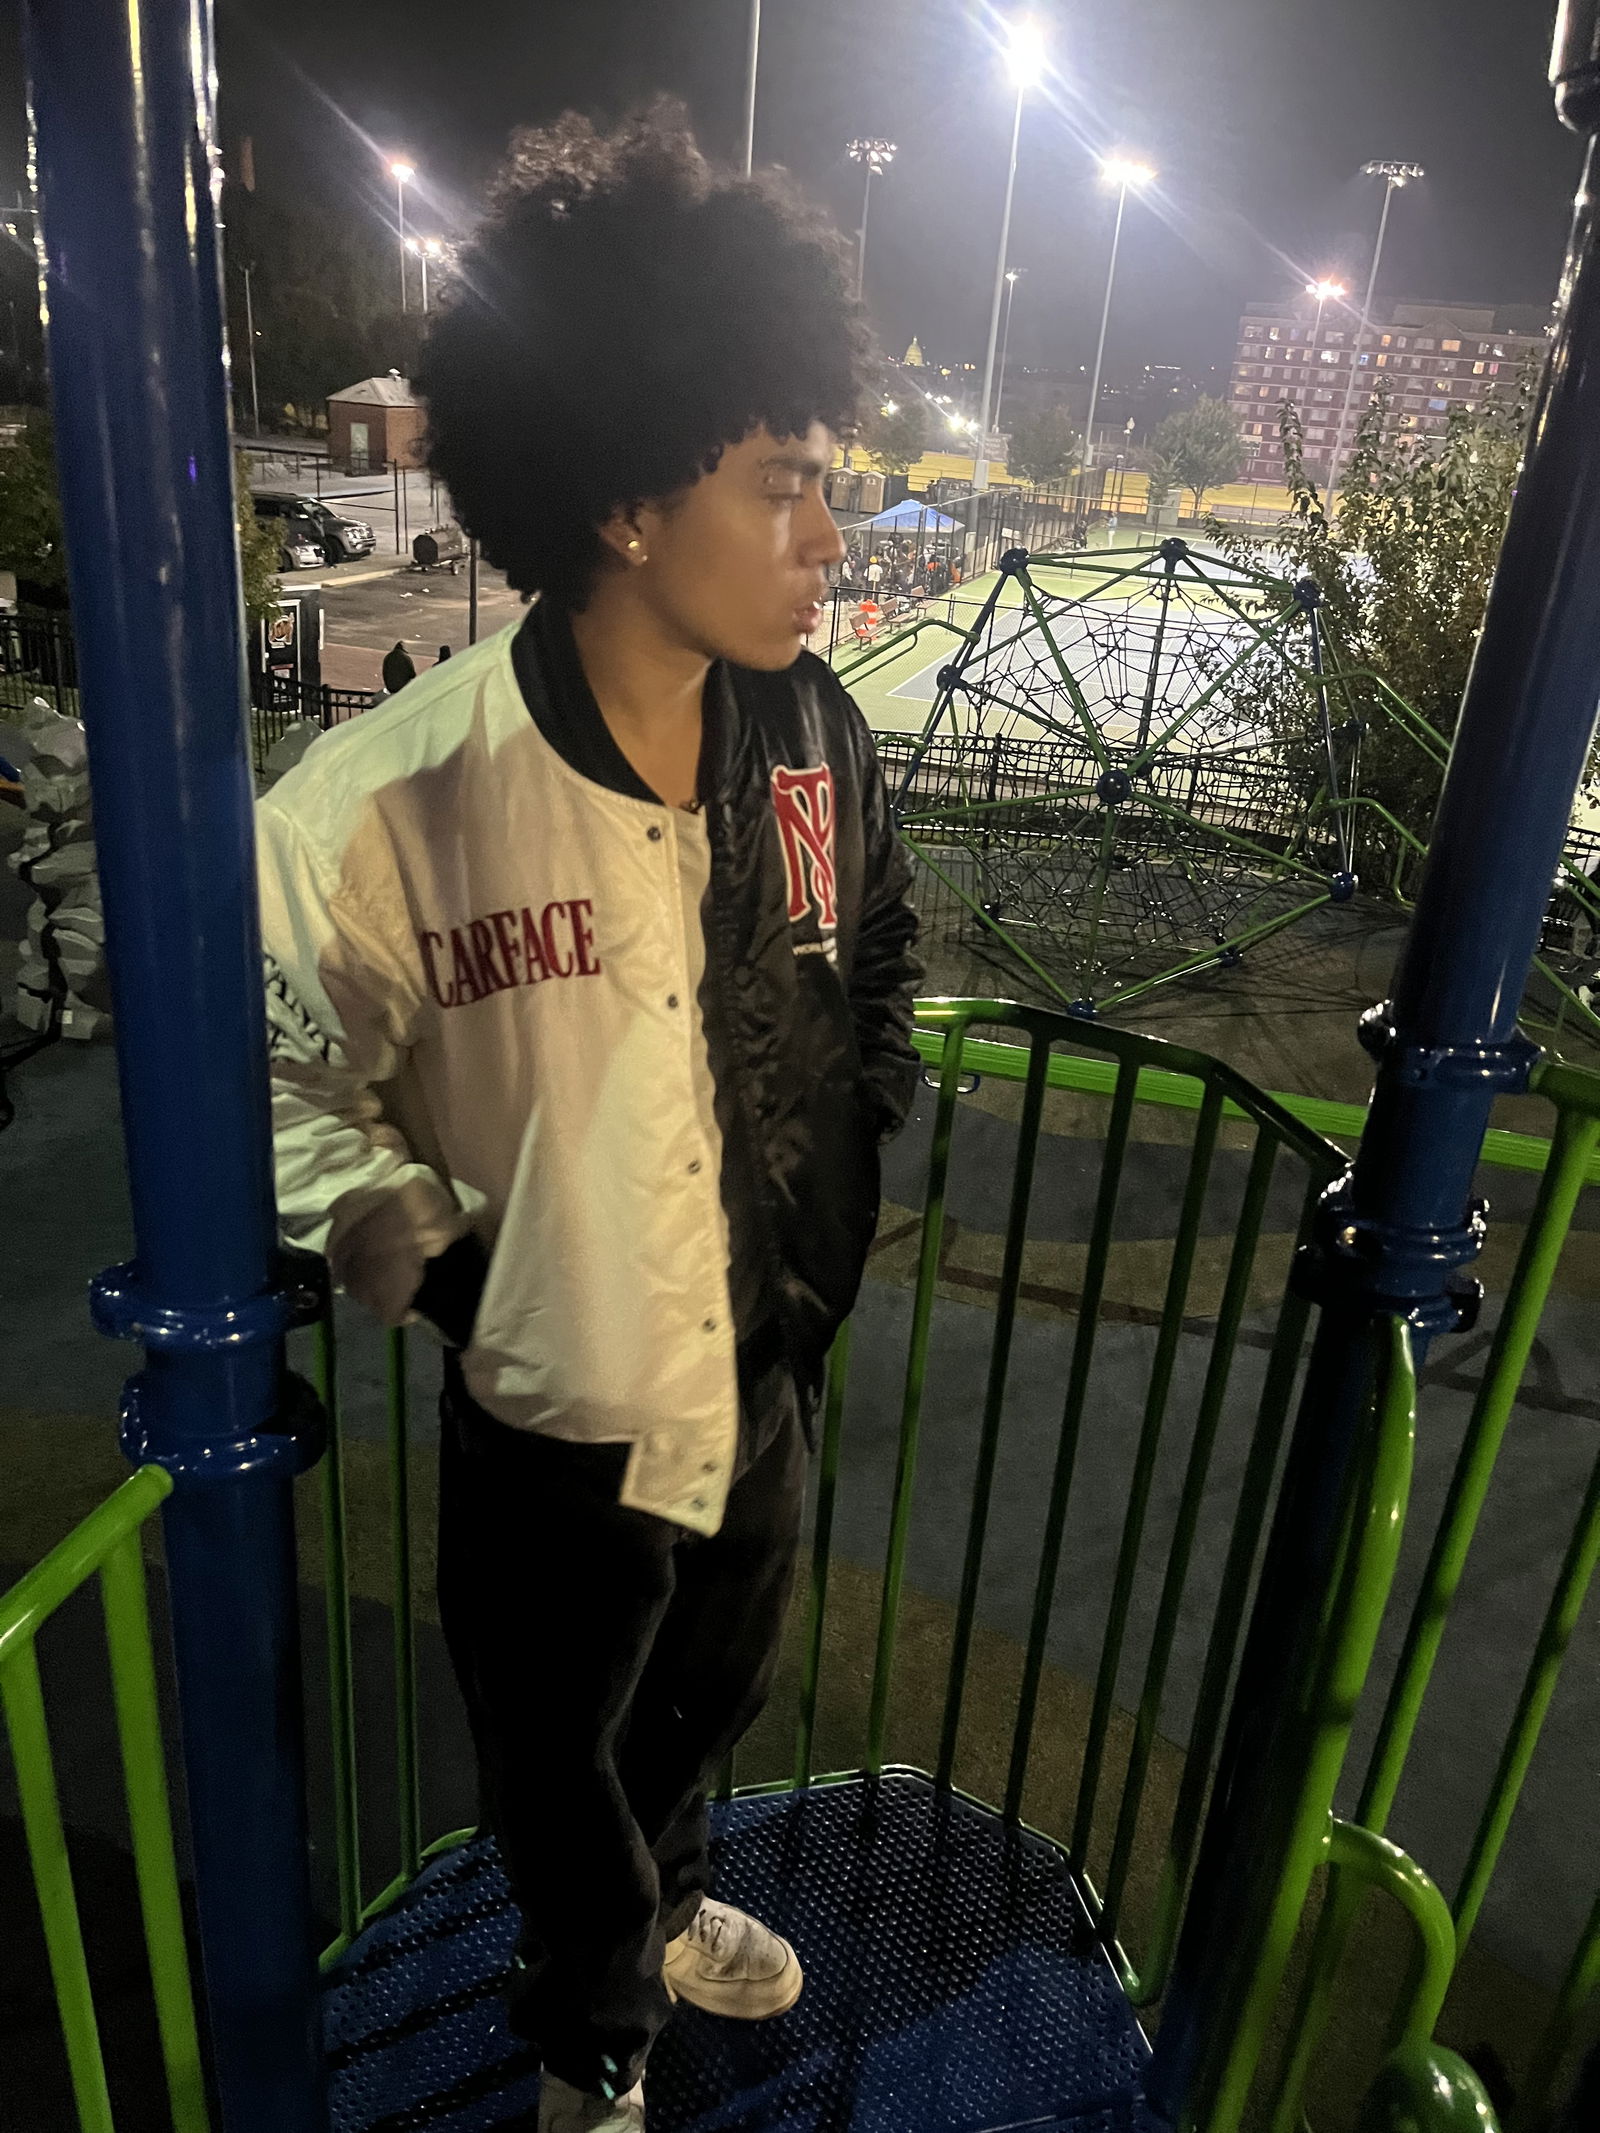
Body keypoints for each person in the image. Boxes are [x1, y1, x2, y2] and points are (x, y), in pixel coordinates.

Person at [255, 106, 921, 2133]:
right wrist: (455, 1268)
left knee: (703, 1699)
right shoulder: (381, 804)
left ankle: (669, 1899)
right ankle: (592, 2038)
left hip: (763, 1361)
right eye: (783, 484)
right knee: (556, 1760)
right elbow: (285, 1095)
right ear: (627, 497)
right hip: (556, 1417)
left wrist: (851, 1136)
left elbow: (879, 942)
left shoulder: (815, 733)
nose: (831, 535)